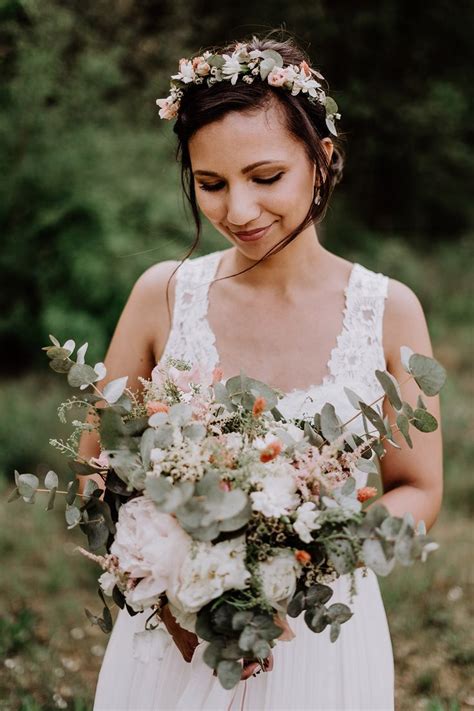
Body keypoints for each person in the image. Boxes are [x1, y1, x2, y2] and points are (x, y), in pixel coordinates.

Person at [79, 34, 443, 711]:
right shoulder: (161, 295)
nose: (238, 211)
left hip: (320, 635)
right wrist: (173, 586)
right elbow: (94, 475)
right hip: (174, 644)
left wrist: (299, 563)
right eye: (211, 185)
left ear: (322, 159)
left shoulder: (389, 310)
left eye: (265, 177)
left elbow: (419, 487)